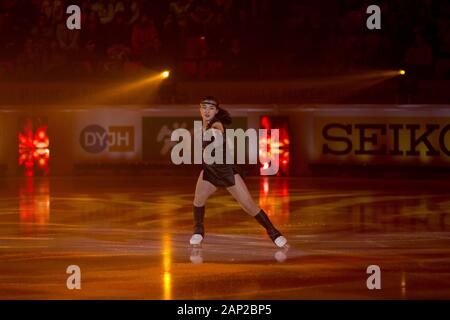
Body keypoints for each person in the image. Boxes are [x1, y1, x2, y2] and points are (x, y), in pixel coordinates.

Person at [190, 96, 288, 248]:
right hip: (209, 171)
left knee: (249, 205)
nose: (207, 111)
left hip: (226, 171)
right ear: (200, 109)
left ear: (216, 111)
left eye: (211, 108)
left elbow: (217, 131)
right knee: (198, 200)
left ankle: (274, 233)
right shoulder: (202, 125)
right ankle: (198, 231)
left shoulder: (216, 124)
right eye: (204, 108)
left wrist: (215, 136)